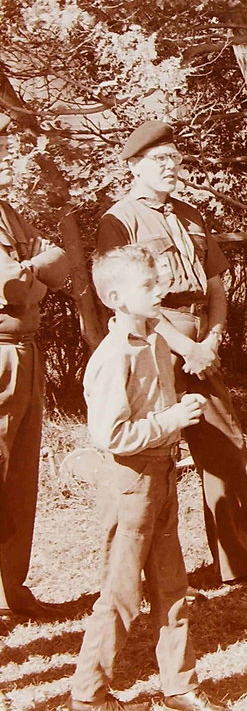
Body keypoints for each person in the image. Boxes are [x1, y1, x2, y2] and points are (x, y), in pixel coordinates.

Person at [96, 120, 247, 586]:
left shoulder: (190, 214)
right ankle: (154, 579)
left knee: (226, 447)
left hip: (201, 338)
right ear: (134, 166)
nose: (171, 167)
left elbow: (215, 284)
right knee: (152, 456)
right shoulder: (120, 219)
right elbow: (130, 295)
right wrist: (185, 345)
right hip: (157, 337)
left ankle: (235, 565)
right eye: (160, 160)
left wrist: (212, 339)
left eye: (175, 158)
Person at [70, 247, 228, 711]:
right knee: (121, 595)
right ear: (115, 298)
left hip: (162, 474)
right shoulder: (113, 355)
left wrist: (178, 410)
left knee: (172, 586)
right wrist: (170, 420)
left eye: (159, 281)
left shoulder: (156, 340)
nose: (160, 290)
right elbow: (111, 435)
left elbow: (154, 406)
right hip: (130, 484)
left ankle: (180, 686)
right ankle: (88, 696)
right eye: (148, 285)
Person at [0, 134, 70, 619]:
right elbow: (15, 289)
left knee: (21, 477)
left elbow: (59, 263)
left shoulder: (9, 213)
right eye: (0, 153)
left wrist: (31, 269)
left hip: (24, 350)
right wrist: (31, 272)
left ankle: (10, 591)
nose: (8, 163)